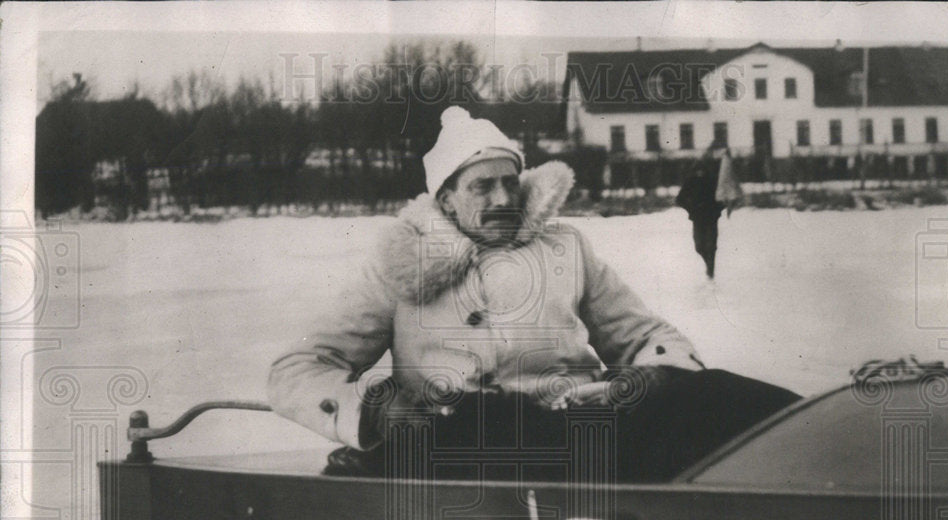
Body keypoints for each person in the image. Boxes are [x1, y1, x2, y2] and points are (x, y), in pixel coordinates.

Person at [268, 107, 797, 482]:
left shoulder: (563, 248)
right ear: (447, 199)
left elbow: (644, 333)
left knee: (708, 393)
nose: (503, 198)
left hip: (580, 421)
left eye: (510, 183)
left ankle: (824, 440)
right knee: (486, 424)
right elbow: (298, 368)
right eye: (482, 186)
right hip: (465, 437)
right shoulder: (401, 265)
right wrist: (376, 411)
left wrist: (651, 372)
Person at [677, 150, 732, 279]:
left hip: (712, 218)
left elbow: (723, 197)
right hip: (697, 218)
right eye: (698, 170)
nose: (700, 173)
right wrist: (690, 209)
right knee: (699, 246)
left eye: (702, 170)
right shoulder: (690, 182)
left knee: (711, 246)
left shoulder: (713, 181)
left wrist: (718, 208)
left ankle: (711, 270)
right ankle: (709, 265)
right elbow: (680, 199)